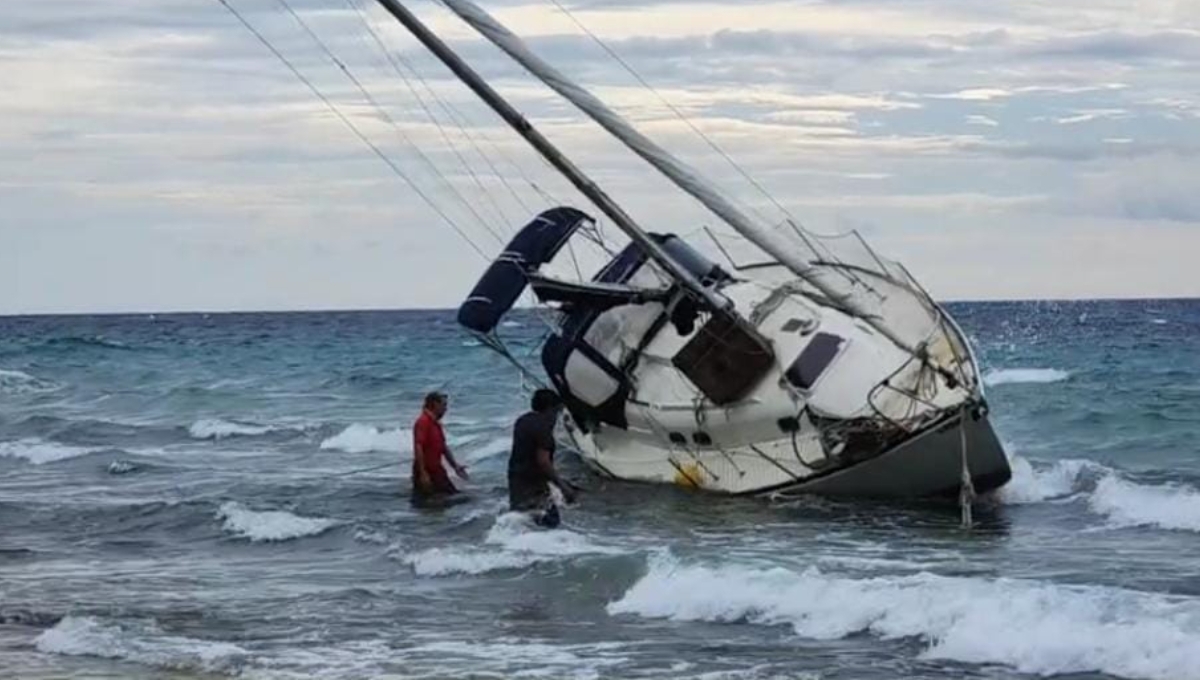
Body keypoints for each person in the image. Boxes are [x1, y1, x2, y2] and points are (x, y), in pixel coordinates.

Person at [508, 388, 576, 528]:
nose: (556, 417)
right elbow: (543, 462)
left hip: (516, 478)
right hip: (533, 484)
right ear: (550, 409)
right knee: (550, 523)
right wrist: (562, 486)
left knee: (521, 519)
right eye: (557, 411)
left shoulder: (522, 421)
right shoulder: (543, 430)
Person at [411, 391, 468, 504]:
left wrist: (455, 466)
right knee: (427, 503)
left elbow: (443, 447)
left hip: (437, 470)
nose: (446, 409)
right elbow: (418, 447)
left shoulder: (436, 423)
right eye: (444, 405)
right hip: (426, 470)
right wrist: (423, 473)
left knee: (453, 499)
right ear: (435, 405)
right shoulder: (423, 422)